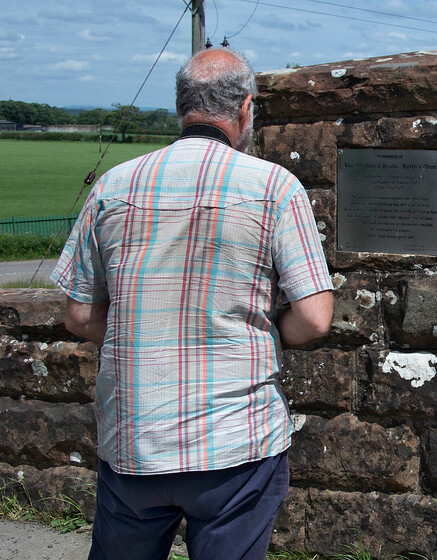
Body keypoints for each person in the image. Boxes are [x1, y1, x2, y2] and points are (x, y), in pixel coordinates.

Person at [51, 48, 334, 560]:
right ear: (245, 108)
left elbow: (79, 315)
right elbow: (314, 319)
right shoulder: (273, 188)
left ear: (183, 107)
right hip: (235, 442)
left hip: (134, 438)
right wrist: (264, 331)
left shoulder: (114, 186)